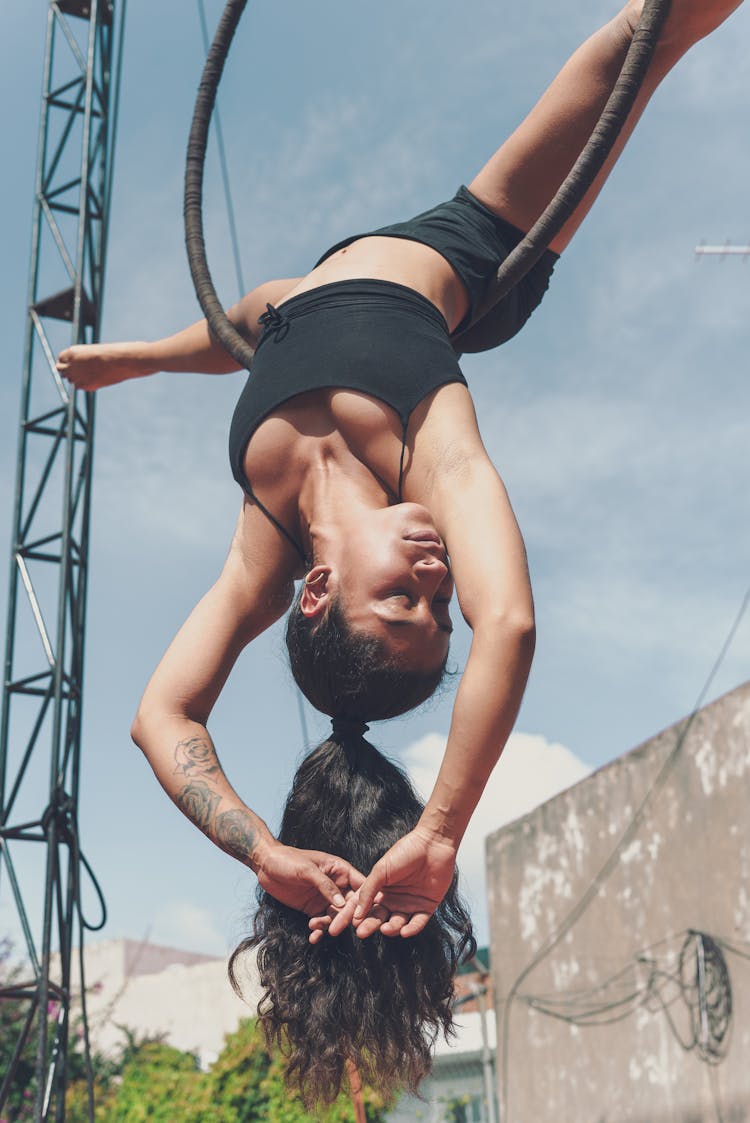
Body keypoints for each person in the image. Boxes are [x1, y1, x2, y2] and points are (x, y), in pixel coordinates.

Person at [58, 0, 742, 1104]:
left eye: (406, 602)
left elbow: (267, 320)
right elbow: (509, 620)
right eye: (442, 606)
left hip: (317, 288)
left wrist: (263, 853)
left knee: (282, 305)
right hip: (469, 267)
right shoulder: (430, 439)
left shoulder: (265, 539)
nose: (438, 580)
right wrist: (437, 832)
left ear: (319, 590)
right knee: (646, 38)